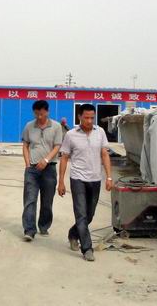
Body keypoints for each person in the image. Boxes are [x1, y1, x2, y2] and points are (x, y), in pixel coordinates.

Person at [58, 104, 113, 262]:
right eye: (86, 117)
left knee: (89, 215)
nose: (89, 121)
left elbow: (104, 154)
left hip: (95, 179)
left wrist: (109, 177)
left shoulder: (100, 132)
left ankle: (73, 233)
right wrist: (61, 181)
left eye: (92, 118)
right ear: (79, 117)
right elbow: (64, 157)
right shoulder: (71, 134)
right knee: (81, 214)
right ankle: (87, 248)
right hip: (78, 179)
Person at [21, 100, 63, 241]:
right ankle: (29, 230)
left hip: (49, 169)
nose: (39, 117)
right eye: (37, 114)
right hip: (32, 170)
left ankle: (44, 226)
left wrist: (46, 160)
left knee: (47, 201)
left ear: (47, 112)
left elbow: (57, 146)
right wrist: (27, 164)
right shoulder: (29, 126)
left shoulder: (56, 126)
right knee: (30, 200)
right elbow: (25, 145)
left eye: (42, 114)